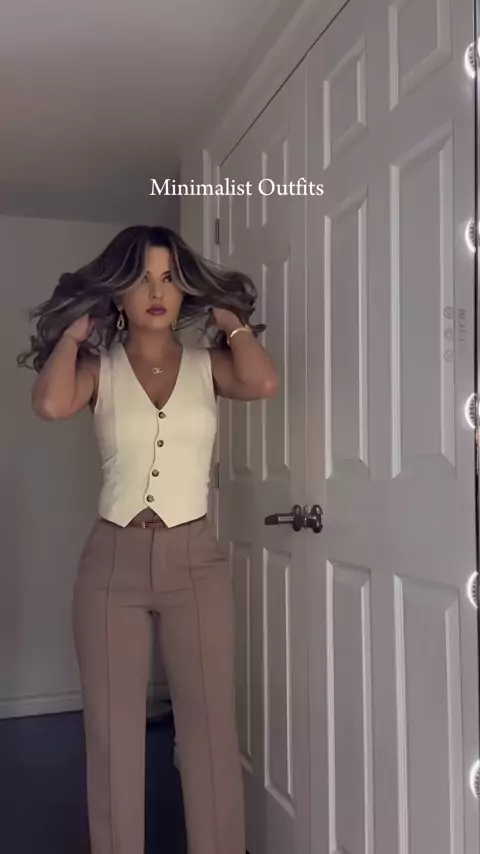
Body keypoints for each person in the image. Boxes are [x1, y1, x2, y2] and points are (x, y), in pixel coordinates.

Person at [18, 224, 278, 854]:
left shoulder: (208, 366)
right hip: (112, 565)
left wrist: (233, 323)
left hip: (196, 562)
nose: (157, 293)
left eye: (168, 278)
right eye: (140, 280)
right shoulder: (98, 369)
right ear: (117, 293)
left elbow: (262, 382)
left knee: (211, 729)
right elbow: (50, 405)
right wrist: (73, 334)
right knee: (112, 735)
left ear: (184, 290)